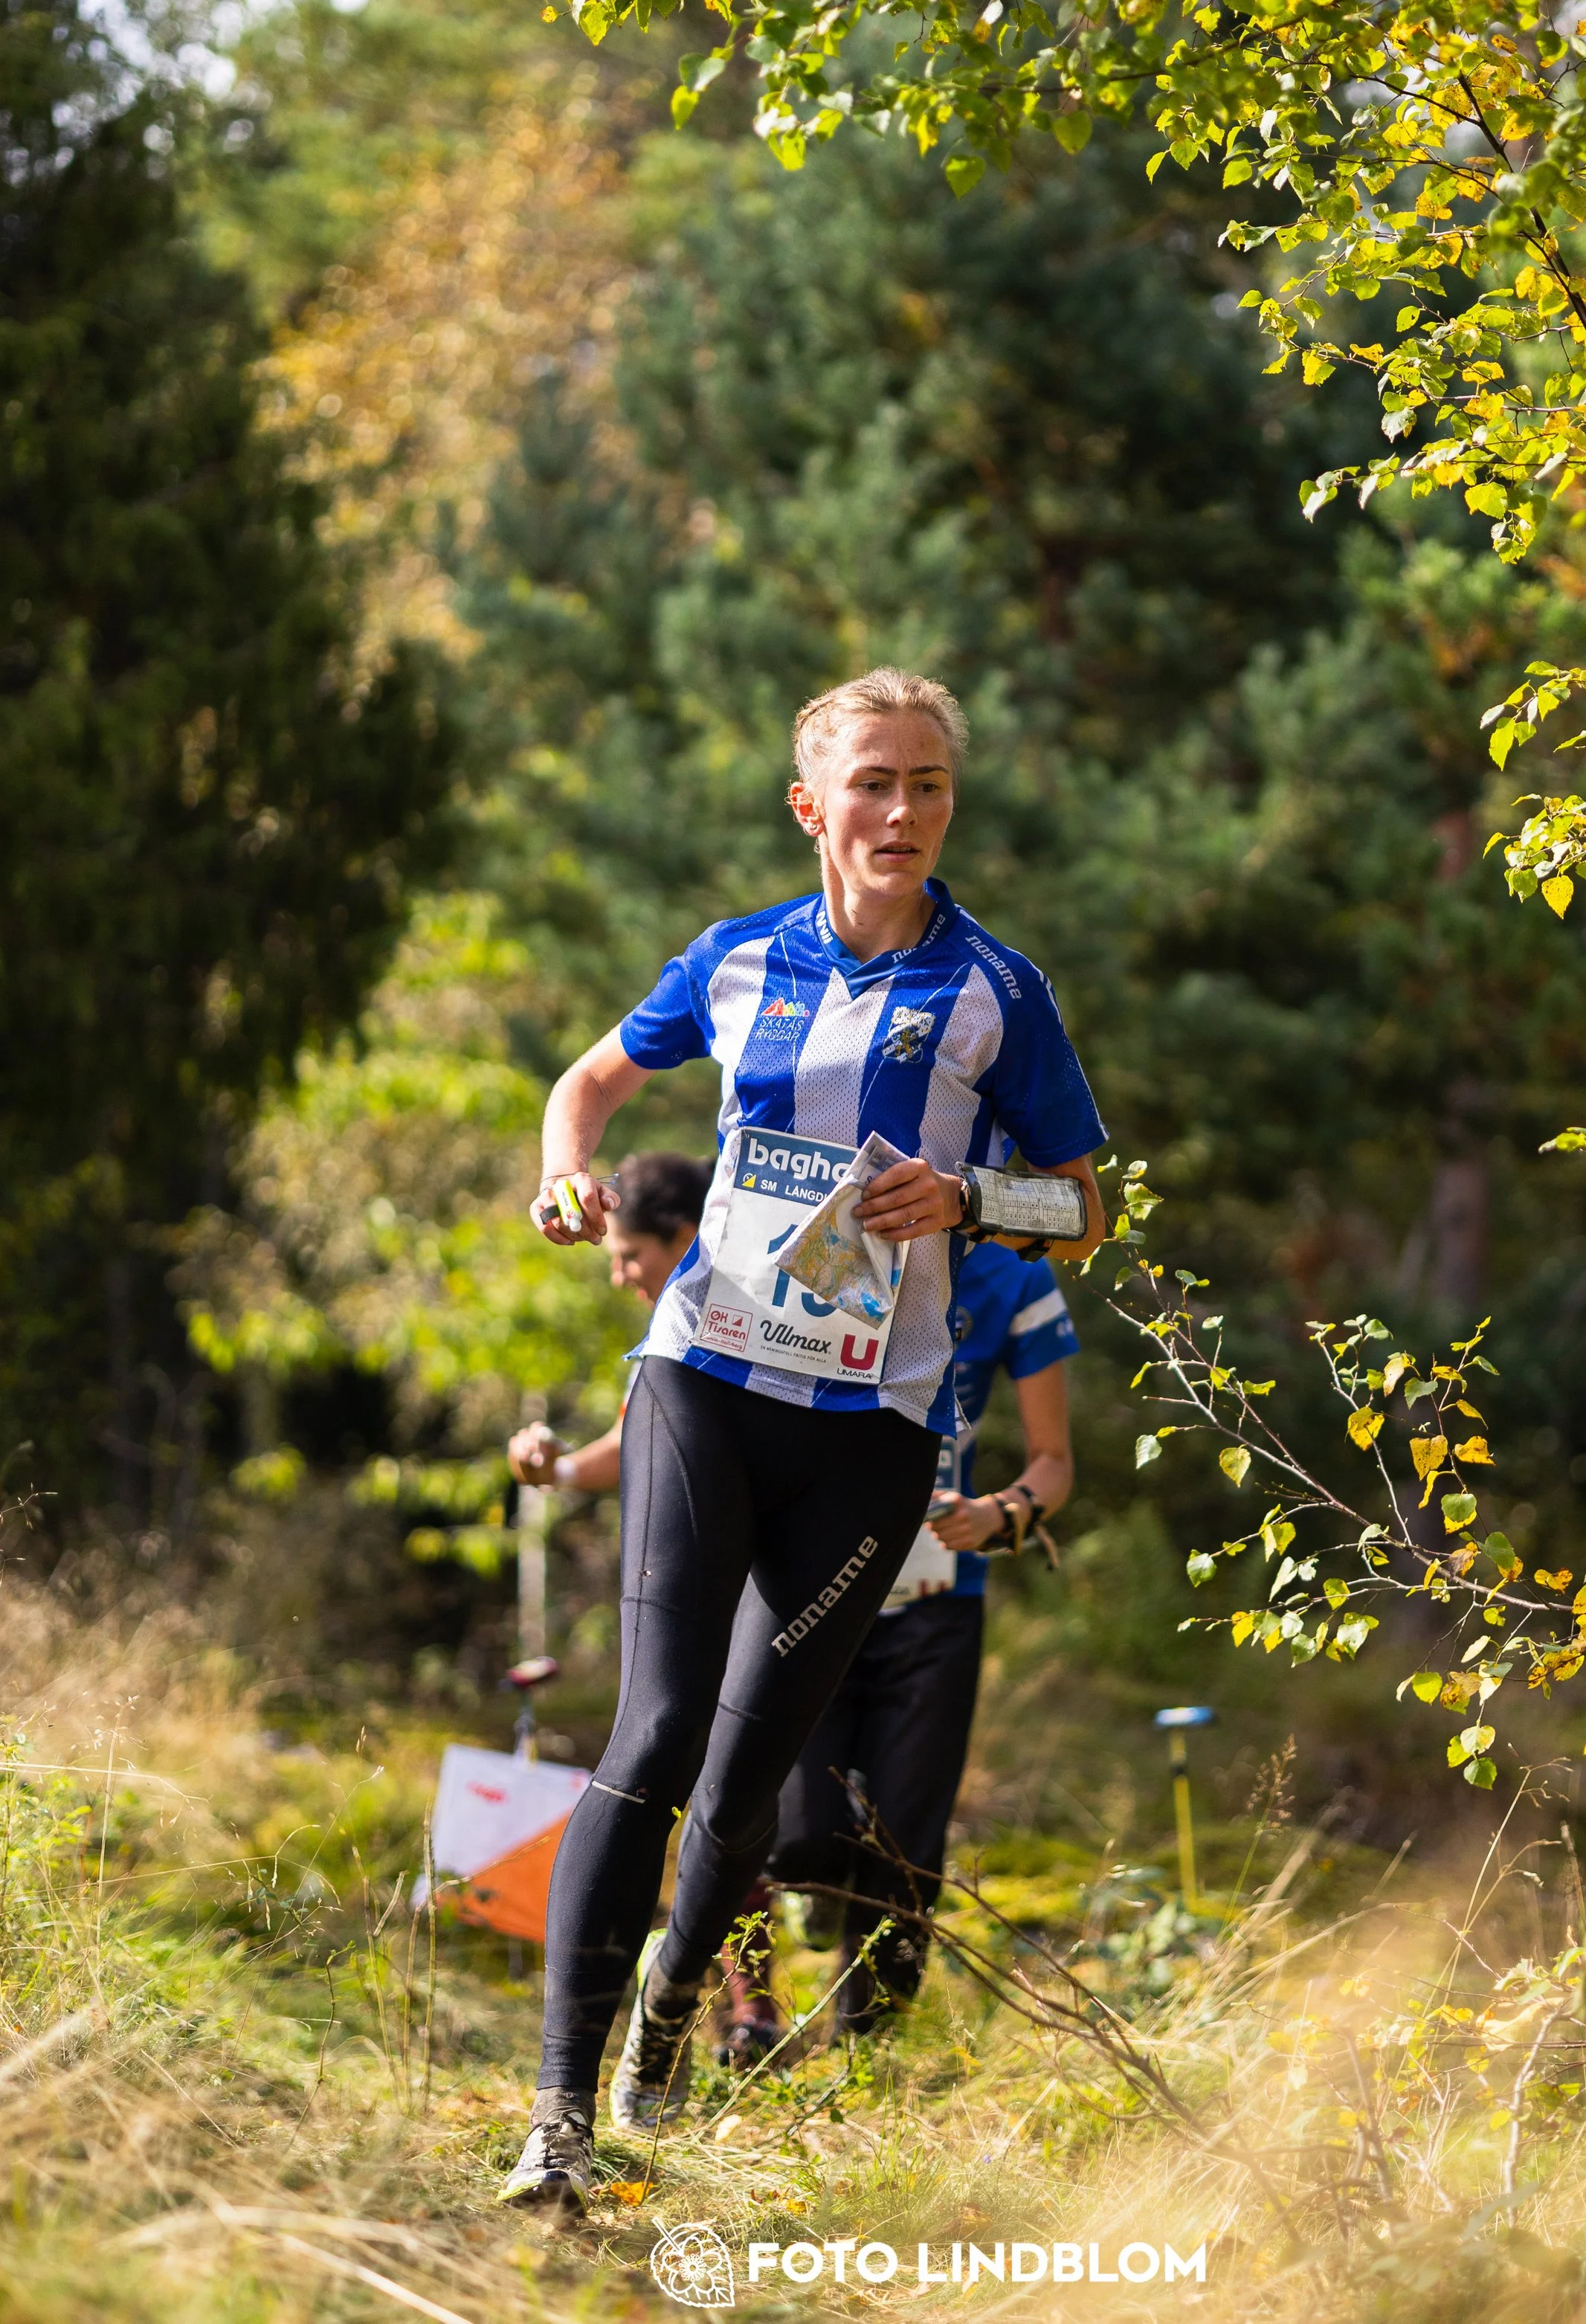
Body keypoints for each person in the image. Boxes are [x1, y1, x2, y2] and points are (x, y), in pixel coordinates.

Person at [498, 666, 1105, 2212]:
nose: (903, 813)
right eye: (873, 785)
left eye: (930, 787)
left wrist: (971, 1201)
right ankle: (560, 2111)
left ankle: (667, 2006)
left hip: (873, 1428)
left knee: (754, 1778)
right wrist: (567, 1176)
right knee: (652, 1729)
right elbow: (588, 1082)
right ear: (811, 807)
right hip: (703, 1374)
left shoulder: (994, 991)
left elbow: (1088, 1207)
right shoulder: (735, 959)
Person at [737, 1233, 1078, 2050]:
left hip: (936, 1601)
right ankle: (803, 1902)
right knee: (799, 1836)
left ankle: (870, 2057)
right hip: (810, 1591)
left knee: (907, 1850)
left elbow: (1053, 1461)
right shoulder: (828, 1232)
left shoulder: (1015, 1274)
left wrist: (999, 1515)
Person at [505, 1150, 712, 1497]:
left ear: (685, 1238)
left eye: (630, 1256)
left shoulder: (743, 1323)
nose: (619, 1278)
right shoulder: (668, 1331)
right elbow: (627, 1443)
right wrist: (554, 1471)